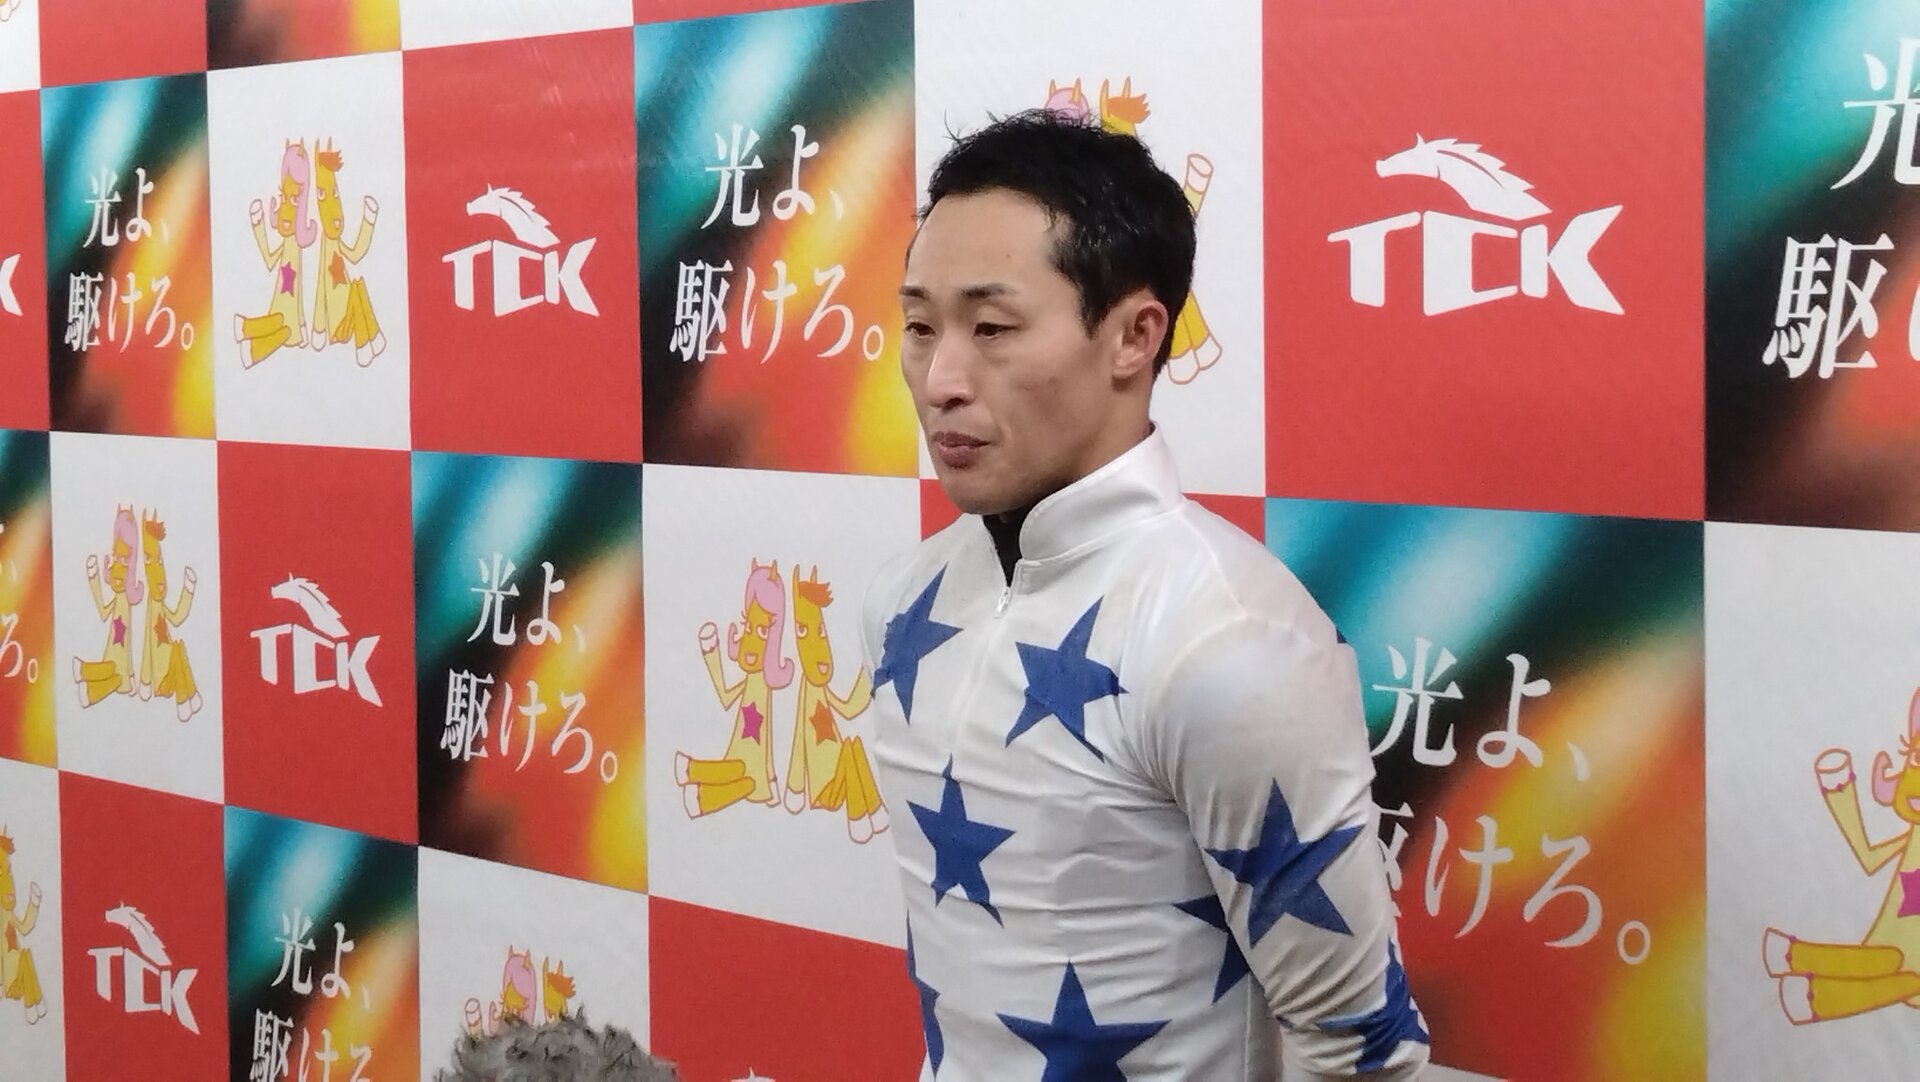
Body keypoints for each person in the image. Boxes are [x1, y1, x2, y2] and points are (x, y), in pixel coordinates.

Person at [861, 108, 1430, 1080]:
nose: (940, 378)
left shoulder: (1231, 645)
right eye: (920, 327)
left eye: (992, 328)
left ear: (1134, 335)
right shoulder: (902, 598)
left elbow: (1359, 1051)